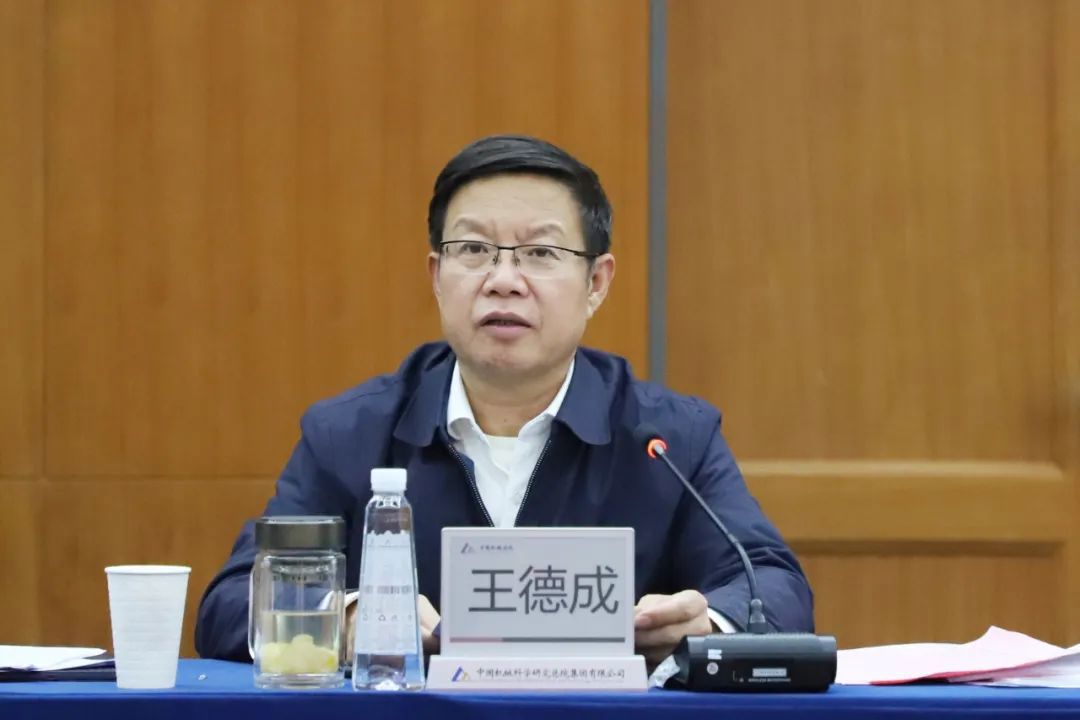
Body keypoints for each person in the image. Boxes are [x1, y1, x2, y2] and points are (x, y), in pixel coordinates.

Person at [195, 134, 814, 668]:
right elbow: (230, 604)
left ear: (596, 283)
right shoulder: (350, 434)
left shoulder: (667, 439)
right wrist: (347, 617)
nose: (503, 280)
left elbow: (774, 589)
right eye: (473, 250)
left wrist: (704, 626)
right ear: (438, 277)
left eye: (541, 253)